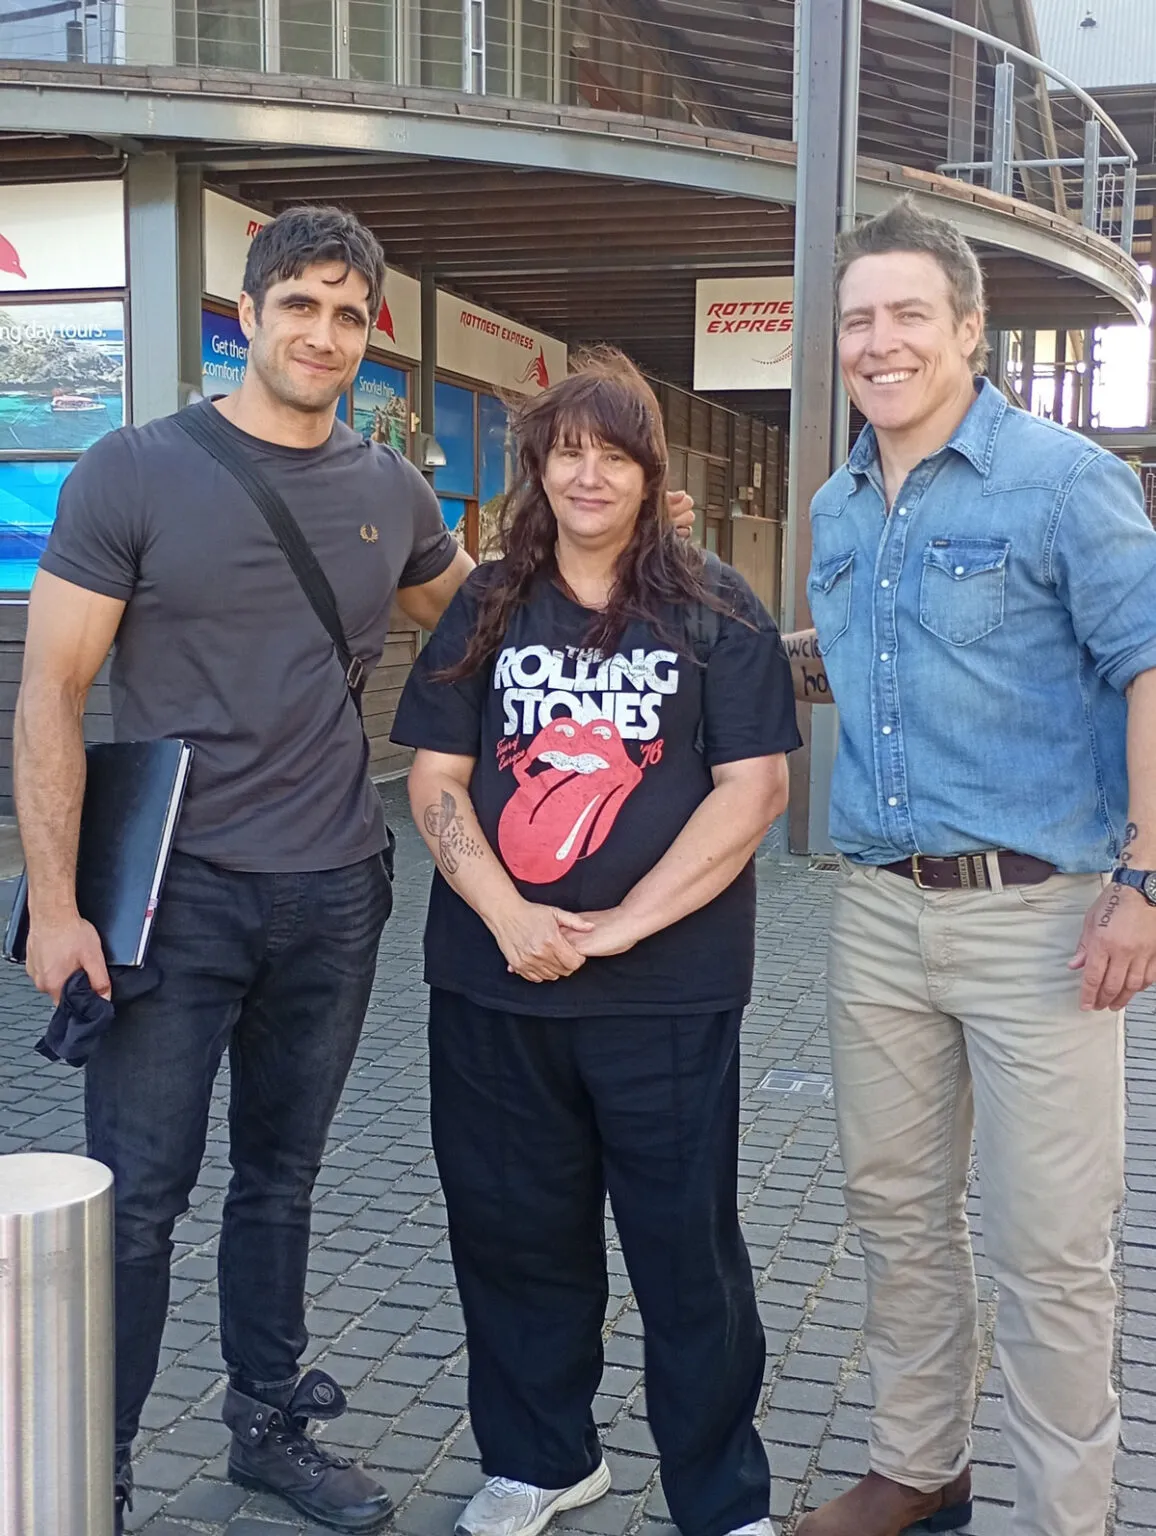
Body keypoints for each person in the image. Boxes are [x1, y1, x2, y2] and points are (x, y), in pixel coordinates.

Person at [13, 204, 480, 1535]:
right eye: (301, 307)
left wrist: (635, 565)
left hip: (336, 892)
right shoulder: (133, 471)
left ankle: (268, 1428)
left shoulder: (392, 492)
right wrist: (57, 907)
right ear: (250, 314)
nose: (323, 335)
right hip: (175, 898)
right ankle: (90, 1464)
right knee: (138, 1203)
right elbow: (51, 692)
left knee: (282, 1182)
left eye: (348, 316)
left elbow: (489, 619)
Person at [779, 197, 1156, 1536]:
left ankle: (1062, 1516)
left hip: (1043, 922)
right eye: (857, 320)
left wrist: (1144, 882)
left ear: (969, 329)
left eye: (907, 315)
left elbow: (1148, 669)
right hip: (880, 914)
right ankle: (919, 1464)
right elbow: (859, 668)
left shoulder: (1062, 481)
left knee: (1050, 1248)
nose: (879, 343)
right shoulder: (835, 506)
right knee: (894, 1213)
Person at [390, 351, 802, 1536]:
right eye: (566, 452)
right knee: (513, 1237)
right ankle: (541, 1462)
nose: (587, 475)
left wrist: (622, 926)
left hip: (665, 995)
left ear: (648, 472)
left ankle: (719, 1499)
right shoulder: (488, 601)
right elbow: (434, 781)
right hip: (494, 987)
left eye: (612, 455)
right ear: (537, 467)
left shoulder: (715, 605)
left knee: (686, 1256)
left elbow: (753, 791)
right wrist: (509, 916)